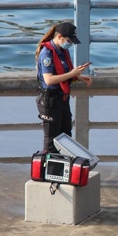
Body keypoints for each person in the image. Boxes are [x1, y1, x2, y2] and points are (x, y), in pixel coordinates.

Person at [35, 22, 92, 153]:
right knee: (51, 140)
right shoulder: (47, 54)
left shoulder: (62, 51)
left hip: (63, 99)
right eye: (68, 41)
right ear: (59, 37)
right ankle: (47, 170)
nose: (70, 44)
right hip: (50, 100)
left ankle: (64, 167)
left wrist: (79, 76)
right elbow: (49, 80)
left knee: (66, 135)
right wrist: (72, 73)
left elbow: (64, 73)